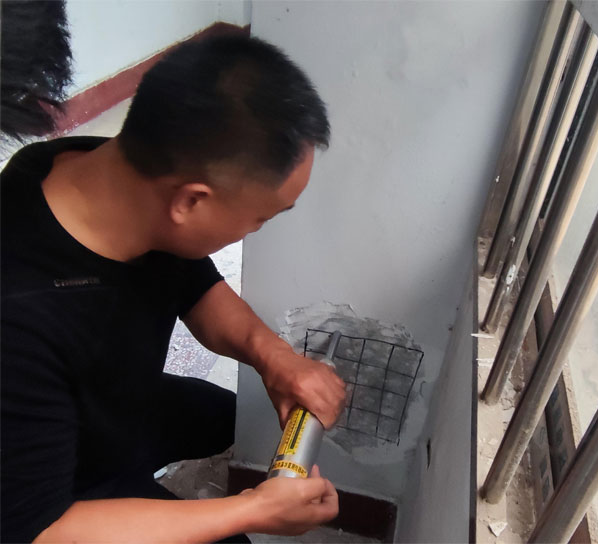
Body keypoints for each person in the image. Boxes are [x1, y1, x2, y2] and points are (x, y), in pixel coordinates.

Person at [1, 34, 347, 543]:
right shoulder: (18, 322)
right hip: (60, 498)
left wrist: (274, 357)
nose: (255, 230)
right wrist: (250, 510)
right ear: (189, 202)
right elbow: (41, 532)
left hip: (116, 403)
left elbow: (193, 283)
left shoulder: (98, 168)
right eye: (260, 218)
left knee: (227, 419)